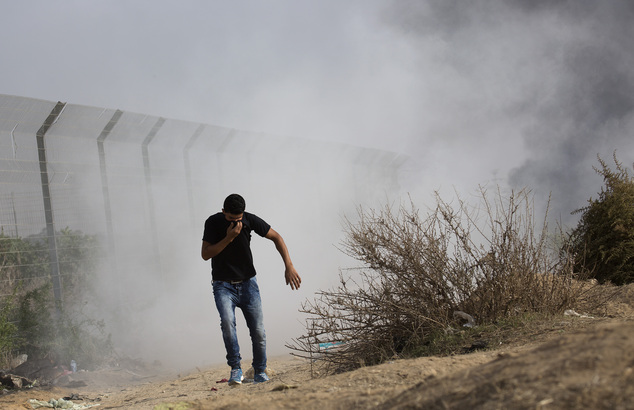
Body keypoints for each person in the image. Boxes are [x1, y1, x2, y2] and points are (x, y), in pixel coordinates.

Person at [201, 193, 301, 385]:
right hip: (223, 285)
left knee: (258, 330)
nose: (236, 223)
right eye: (231, 219)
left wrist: (289, 265)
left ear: (243, 214)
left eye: (238, 219)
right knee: (228, 324)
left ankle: (260, 371)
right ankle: (236, 369)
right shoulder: (213, 222)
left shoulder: (249, 219)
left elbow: (277, 237)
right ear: (224, 213)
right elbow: (205, 254)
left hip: (248, 283)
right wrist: (229, 238)